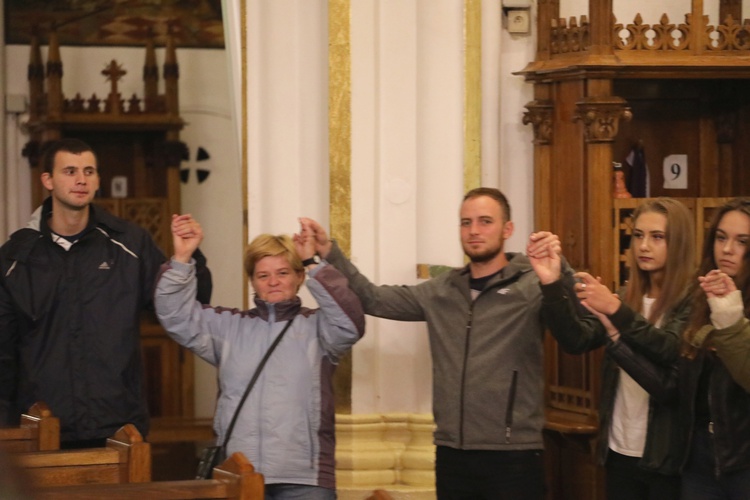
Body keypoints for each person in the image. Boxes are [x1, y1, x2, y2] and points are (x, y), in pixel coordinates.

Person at [300, 187, 584, 500]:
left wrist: (560, 273)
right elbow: (372, 298)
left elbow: (577, 332)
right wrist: (330, 253)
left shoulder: (533, 284)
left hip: (513, 453)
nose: (474, 231)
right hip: (451, 452)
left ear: (508, 229)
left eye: (485, 221)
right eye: (466, 223)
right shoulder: (441, 291)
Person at [0, 138, 212, 448]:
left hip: (118, 426)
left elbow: (181, 310)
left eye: (89, 171)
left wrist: (188, 259)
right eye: (70, 171)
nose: (81, 180)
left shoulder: (129, 243)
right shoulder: (16, 257)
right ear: (48, 180)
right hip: (42, 429)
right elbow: (3, 351)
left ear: (98, 180)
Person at [154, 216, 365, 500]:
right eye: (263, 275)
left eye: (283, 273)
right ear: (253, 281)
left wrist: (312, 263)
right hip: (240, 473)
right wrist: (182, 257)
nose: (274, 282)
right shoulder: (229, 326)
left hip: (305, 479)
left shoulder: (320, 328)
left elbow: (351, 321)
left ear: (299, 277)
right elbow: (175, 316)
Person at [530, 198, 696, 500]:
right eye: (638, 235)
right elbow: (575, 340)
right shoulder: (626, 296)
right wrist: (552, 283)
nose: (644, 246)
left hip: (666, 459)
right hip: (618, 449)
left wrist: (616, 311)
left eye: (657, 237)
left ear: (679, 243)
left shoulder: (691, 301)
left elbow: (670, 349)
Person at [606, 197, 750, 499]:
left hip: (741, 456)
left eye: (742, 241)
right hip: (696, 451)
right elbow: (677, 380)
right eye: (721, 237)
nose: (727, 249)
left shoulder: (701, 300)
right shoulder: (701, 297)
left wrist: (618, 327)